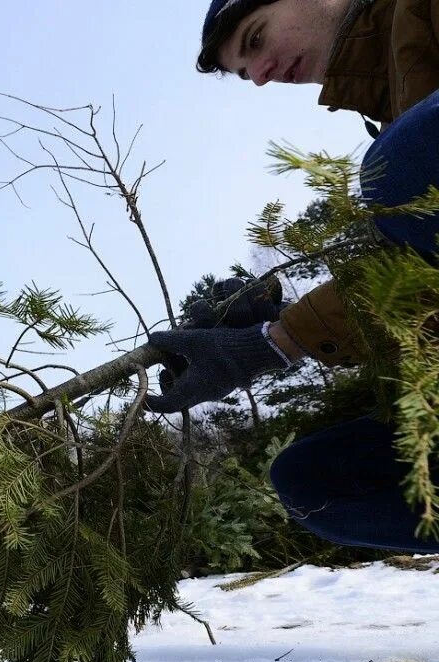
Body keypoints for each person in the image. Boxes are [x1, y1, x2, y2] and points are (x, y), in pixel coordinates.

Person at [145, 0, 439, 552]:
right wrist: (272, 336)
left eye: (255, 41)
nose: (258, 77)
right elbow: (421, 279)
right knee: (315, 481)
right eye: (243, 73)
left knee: (400, 168)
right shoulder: (391, 103)